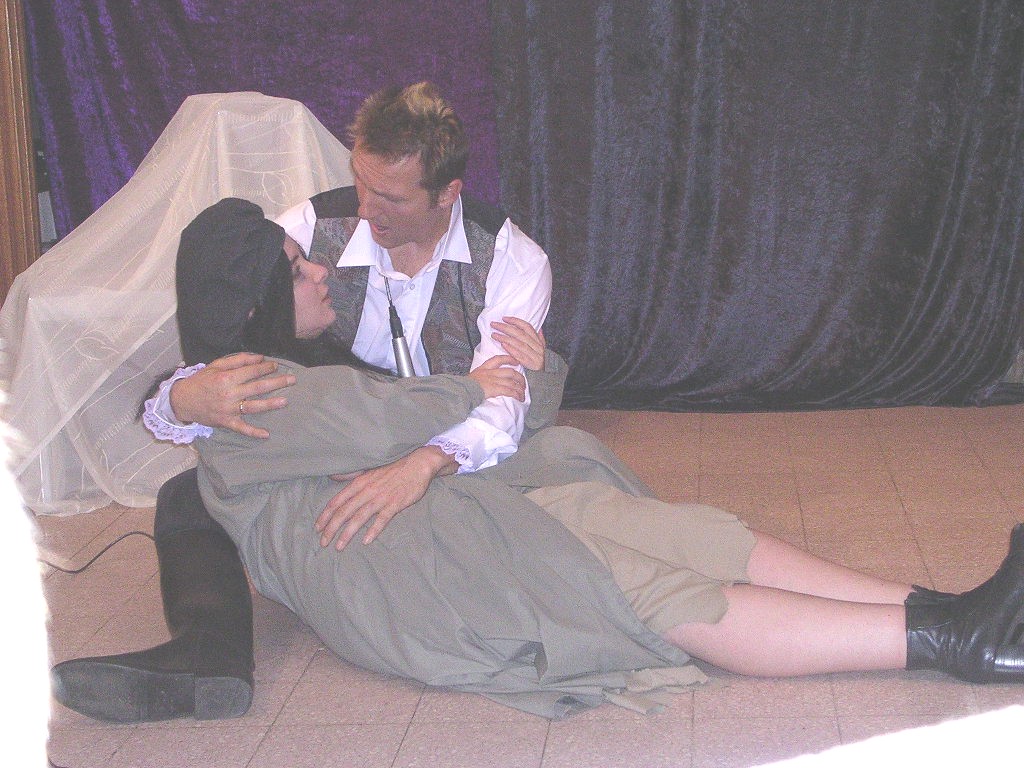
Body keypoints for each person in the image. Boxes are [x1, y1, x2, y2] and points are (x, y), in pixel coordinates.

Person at [54, 200, 1024, 722]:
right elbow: (396, 413)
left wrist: (518, 378)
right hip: (411, 568)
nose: (321, 268)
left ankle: (948, 609)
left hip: (463, 508)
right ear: (254, 298)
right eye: (295, 268)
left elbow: (467, 417)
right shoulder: (249, 389)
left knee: (687, 532)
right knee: (647, 587)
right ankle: (953, 646)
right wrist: (482, 383)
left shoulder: (306, 351)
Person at [50, 83, 566, 724]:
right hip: (340, 428)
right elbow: (229, 314)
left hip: (452, 438)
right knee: (190, 495)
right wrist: (183, 397)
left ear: (447, 193)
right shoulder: (312, 227)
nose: (367, 209)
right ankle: (208, 656)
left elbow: (502, 401)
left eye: (391, 197)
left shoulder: (511, 259)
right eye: (361, 183)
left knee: (519, 493)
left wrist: (420, 465)